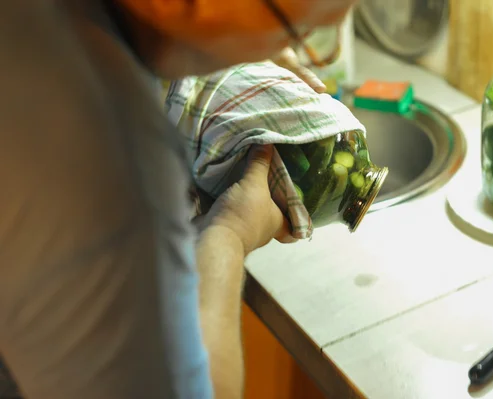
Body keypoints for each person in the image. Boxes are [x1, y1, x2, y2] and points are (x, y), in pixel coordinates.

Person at [0, 0, 356, 398]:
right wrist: (230, 232)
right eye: (297, 30)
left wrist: (226, 44)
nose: (306, 49)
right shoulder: (107, 153)